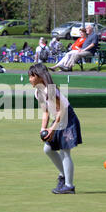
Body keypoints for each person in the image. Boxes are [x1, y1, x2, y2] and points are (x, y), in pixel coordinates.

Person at [28, 63, 82, 194]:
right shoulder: (38, 92)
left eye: (31, 76)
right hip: (58, 120)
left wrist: (52, 129)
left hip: (68, 118)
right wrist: (43, 128)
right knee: (48, 149)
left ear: (39, 76)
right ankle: (63, 175)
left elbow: (62, 110)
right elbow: (46, 112)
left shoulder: (50, 90)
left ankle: (69, 186)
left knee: (65, 151)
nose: (29, 79)